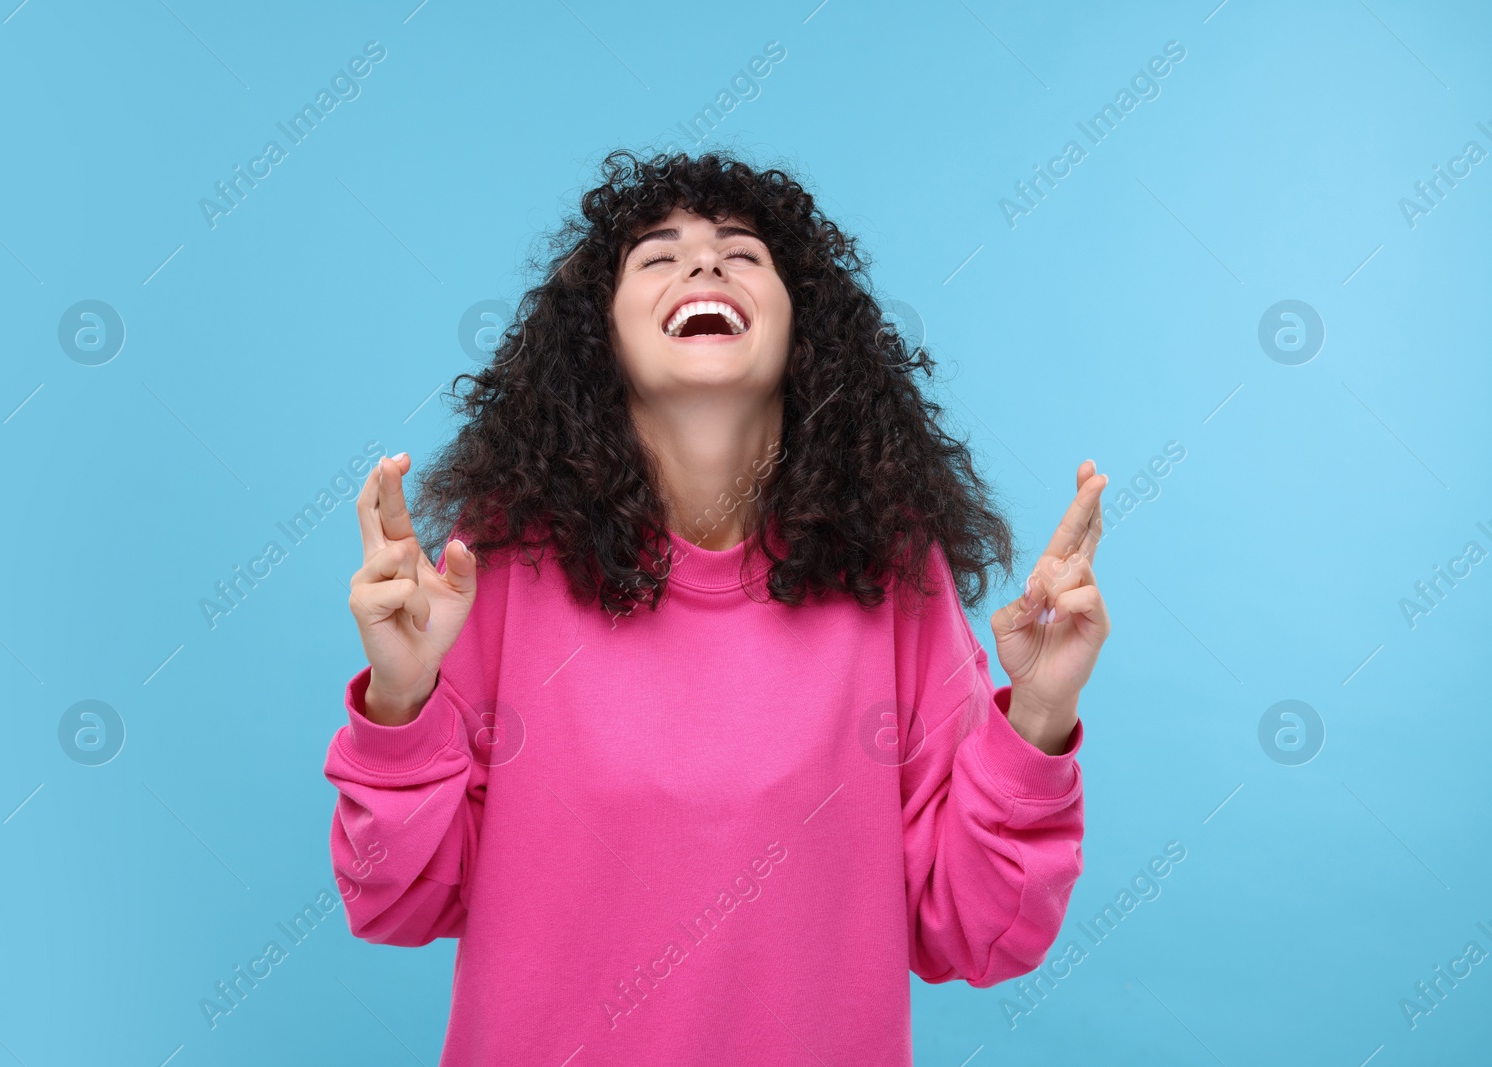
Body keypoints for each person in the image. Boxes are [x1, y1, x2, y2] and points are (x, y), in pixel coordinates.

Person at [324, 148, 1110, 1065]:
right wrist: (400, 701)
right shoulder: (498, 555)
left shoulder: (890, 565)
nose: (703, 264)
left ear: (802, 330)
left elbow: (976, 932)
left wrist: (1043, 716)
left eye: (743, 253)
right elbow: (393, 899)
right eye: (658, 256)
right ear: (599, 340)